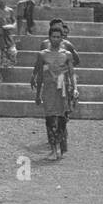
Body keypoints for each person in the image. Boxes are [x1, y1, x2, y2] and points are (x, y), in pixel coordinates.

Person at [32, 24, 77, 160]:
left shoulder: (67, 55)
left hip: (63, 88)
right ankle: (53, 148)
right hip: (49, 89)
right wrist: (38, 94)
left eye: (58, 37)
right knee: (50, 118)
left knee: (62, 118)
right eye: (53, 37)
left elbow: (71, 73)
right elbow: (40, 75)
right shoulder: (42, 55)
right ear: (49, 38)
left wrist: (75, 88)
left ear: (62, 39)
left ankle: (60, 146)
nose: (56, 39)